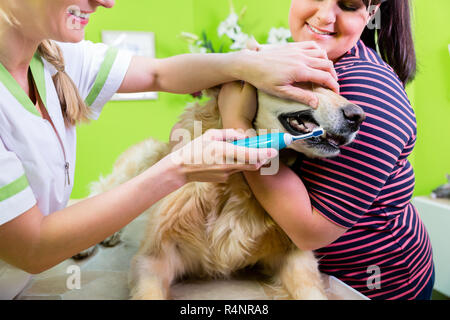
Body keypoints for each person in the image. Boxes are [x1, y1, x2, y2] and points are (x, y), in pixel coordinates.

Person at [0, 0, 342, 299]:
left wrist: (244, 64)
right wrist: (178, 169)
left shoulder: (57, 57)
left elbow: (159, 74)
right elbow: (32, 248)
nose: (107, 2)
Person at [218, 0, 435, 300]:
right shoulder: (305, 61)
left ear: (371, 14)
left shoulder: (366, 90)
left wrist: (237, 125)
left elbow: (310, 230)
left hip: (373, 284)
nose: (324, 15)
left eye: (347, 5)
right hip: (310, 273)